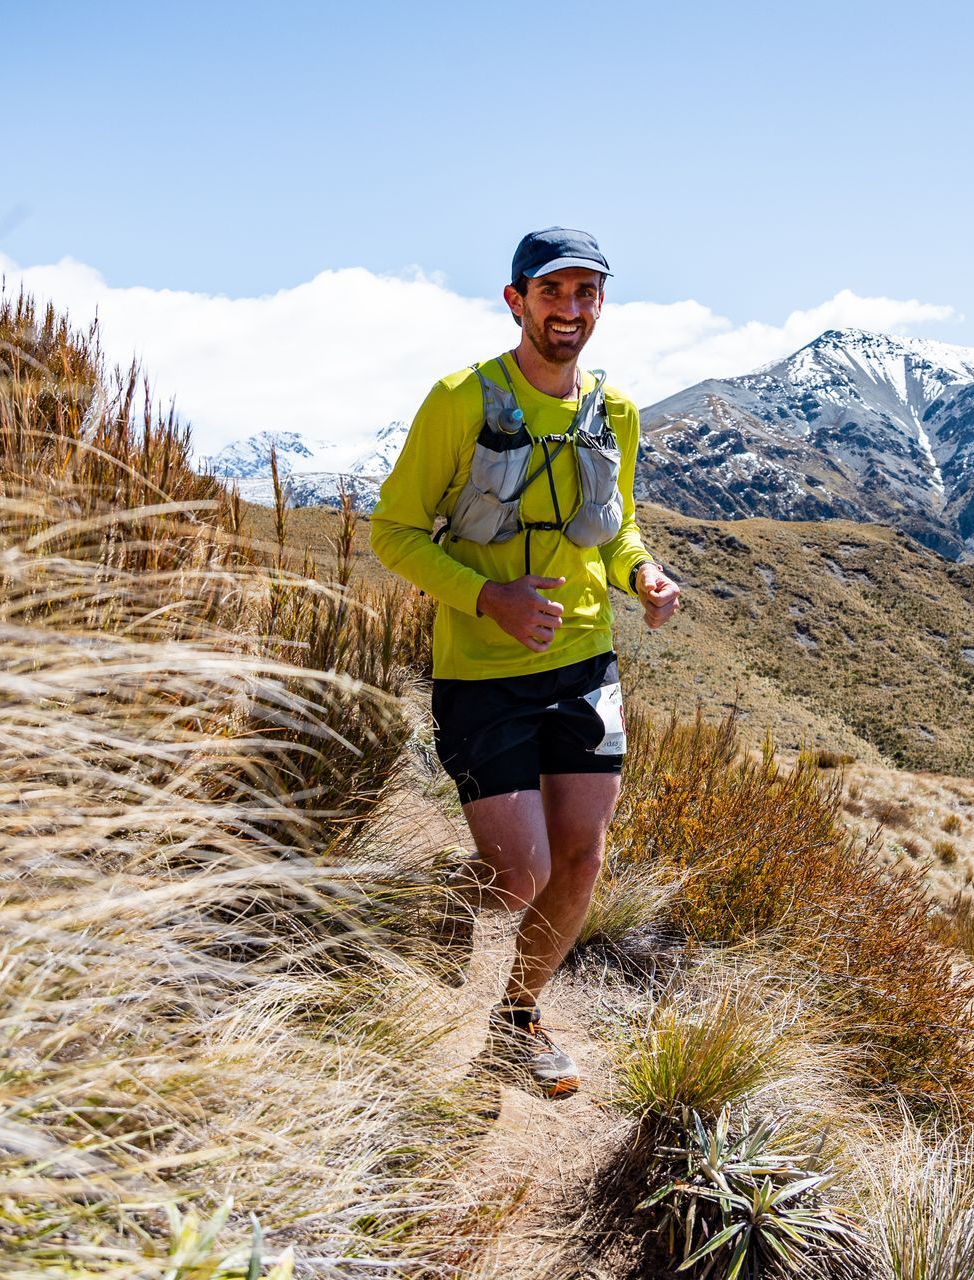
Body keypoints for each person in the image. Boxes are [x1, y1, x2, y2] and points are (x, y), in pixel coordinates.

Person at [370, 227, 681, 1098]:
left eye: (586, 294)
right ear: (517, 302)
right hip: (480, 670)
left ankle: (515, 1022)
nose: (570, 310)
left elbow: (616, 522)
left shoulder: (613, 412)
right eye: (553, 293)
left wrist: (642, 576)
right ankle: (438, 903)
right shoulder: (460, 400)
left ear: (600, 306)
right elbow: (391, 533)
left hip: (585, 664)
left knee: (580, 861)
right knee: (519, 873)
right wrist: (487, 597)